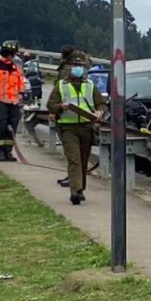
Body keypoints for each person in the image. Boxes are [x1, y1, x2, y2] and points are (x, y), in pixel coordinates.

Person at [47, 48, 105, 205]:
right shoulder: (61, 85)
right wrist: (61, 107)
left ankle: (80, 188)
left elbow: (101, 103)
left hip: (86, 127)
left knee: (84, 159)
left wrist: (100, 112)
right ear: (69, 67)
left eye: (80, 65)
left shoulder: (91, 85)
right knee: (74, 159)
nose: (78, 68)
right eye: (74, 65)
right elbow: (51, 105)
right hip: (68, 128)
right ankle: (75, 190)